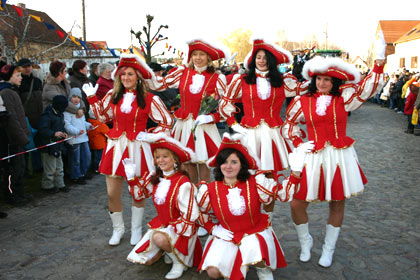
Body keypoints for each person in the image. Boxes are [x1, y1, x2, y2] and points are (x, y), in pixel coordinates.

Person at [282, 56, 386, 268]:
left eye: (328, 79)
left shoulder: (344, 99)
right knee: (297, 203)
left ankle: (329, 248)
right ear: (314, 80)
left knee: (337, 203)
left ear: (335, 82)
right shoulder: (302, 101)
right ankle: (305, 241)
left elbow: (366, 90)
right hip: (313, 156)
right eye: (319, 79)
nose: (322, 83)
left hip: (340, 156)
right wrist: (298, 142)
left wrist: (378, 65)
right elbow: (289, 125)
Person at [84, 53, 173, 246]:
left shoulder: (149, 99)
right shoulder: (112, 95)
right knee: (111, 193)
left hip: (137, 147)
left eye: (130, 74)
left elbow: (167, 122)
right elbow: (101, 116)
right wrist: (91, 98)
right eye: (123, 74)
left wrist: (149, 135)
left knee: (137, 191)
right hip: (115, 147)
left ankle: (136, 230)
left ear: (138, 77)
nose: (126, 78)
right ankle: (118, 229)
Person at [196, 133, 313, 280]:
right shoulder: (210, 189)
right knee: (213, 273)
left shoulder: (255, 182)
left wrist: (295, 172)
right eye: (224, 162)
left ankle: (261, 268)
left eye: (234, 162)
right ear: (219, 165)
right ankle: (235, 261)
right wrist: (212, 228)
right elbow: (196, 211)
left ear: (242, 165)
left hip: (253, 231)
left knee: (256, 254)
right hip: (227, 234)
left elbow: (282, 195)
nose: (228, 166)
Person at [147, 39, 229, 185]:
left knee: (204, 162)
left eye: (202, 54)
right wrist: (142, 75)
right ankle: (191, 194)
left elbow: (226, 105)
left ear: (208, 58)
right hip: (184, 125)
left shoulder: (217, 78)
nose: (198, 58)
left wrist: (212, 118)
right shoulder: (182, 73)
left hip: (204, 126)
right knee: (188, 162)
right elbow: (160, 84)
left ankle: (204, 196)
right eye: (195, 54)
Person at [126, 133, 202, 279]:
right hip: (163, 225)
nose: (160, 160)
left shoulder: (183, 183)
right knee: (147, 261)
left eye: (165, 156)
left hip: (181, 229)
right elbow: (139, 195)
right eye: (158, 157)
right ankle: (167, 250)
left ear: (175, 160)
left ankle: (179, 262)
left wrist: (172, 232)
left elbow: (191, 215)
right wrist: (132, 178)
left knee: (159, 239)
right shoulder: (156, 179)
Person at [0, 64, 31, 206]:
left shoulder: (12, 91)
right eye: (17, 75)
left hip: (19, 137)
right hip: (12, 138)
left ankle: (20, 193)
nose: (20, 78)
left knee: (20, 167)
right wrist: (22, 137)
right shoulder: (6, 93)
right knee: (12, 169)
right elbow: (12, 119)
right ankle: (12, 195)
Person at [36, 95, 70, 193]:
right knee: (50, 167)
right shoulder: (47, 115)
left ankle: (60, 184)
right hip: (48, 145)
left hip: (58, 145)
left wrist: (63, 133)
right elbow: (42, 129)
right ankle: (48, 185)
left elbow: (61, 126)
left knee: (59, 165)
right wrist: (53, 133)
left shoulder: (60, 114)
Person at [17, 58, 44, 175]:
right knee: (26, 145)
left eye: (29, 66)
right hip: (25, 118)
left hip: (38, 116)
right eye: (25, 66)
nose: (28, 68)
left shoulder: (37, 81)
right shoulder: (19, 82)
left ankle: (37, 167)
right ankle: (25, 170)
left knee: (37, 144)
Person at [64, 88, 92, 184]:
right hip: (74, 139)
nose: (76, 99)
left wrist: (88, 126)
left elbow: (83, 122)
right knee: (75, 159)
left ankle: (83, 173)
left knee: (87, 156)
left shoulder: (80, 109)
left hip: (83, 137)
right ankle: (76, 175)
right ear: (70, 97)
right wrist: (76, 131)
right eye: (74, 97)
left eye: (78, 97)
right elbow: (67, 125)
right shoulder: (67, 111)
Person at [87, 109, 110, 174]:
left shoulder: (88, 123)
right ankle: (97, 169)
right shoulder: (100, 124)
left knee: (93, 157)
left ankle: (93, 168)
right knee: (98, 158)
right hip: (100, 145)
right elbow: (108, 132)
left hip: (91, 144)